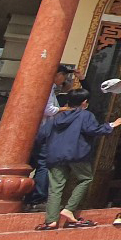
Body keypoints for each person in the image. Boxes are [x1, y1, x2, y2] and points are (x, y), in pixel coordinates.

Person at [34, 88, 121, 230]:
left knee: (55, 188)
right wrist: (111, 125)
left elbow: (41, 135)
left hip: (55, 155)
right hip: (76, 154)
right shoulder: (85, 115)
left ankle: (51, 220)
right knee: (85, 178)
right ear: (84, 103)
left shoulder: (57, 117)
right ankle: (69, 208)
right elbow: (93, 130)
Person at [26, 66, 75, 210]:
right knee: (43, 165)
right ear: (58, 74)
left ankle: (32, 198)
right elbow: (47, 110)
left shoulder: (51, 89)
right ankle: (38, 199)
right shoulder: (46, 88)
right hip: (43, 131)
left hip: (41, 132)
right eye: (63, 77)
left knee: (39, 164)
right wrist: (64, 109)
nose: (64, 80)